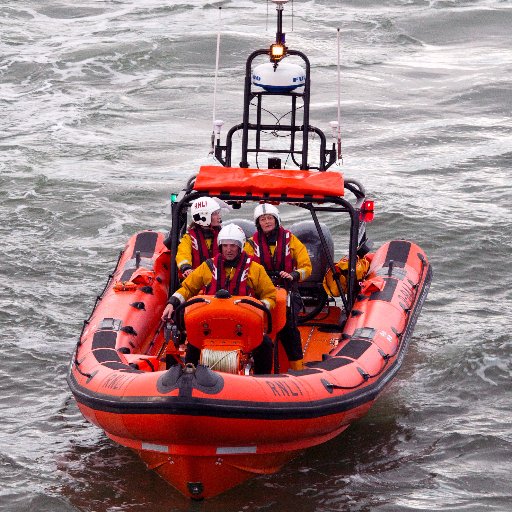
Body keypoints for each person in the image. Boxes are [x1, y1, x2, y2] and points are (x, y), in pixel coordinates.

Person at [162, 223, 276, 374]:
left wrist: (259, 307)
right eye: (225, 246)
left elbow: (270, 296)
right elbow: (187, 288)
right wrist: (172, 303)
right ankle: (189, 377)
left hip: (242, 326)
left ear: (240, 246)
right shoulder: (207, 267)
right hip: (209, 326)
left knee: (265, 344)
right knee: (193, 344)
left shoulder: (255, 270)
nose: (229, 250)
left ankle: (263, 380)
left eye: (233, 246)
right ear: (220, 246)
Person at [245, 203, 312, 371]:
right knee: (253, 325)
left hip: (288, 291)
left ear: (276, 219)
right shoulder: (251, 244)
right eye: (263, 219)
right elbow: (244, 268)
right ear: (258, 223)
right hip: (261, 293)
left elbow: (306, 267)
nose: (267, 222)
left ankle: (297, 368)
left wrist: (294, 275)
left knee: (289, 329)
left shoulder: (291, 240)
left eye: (270, 218)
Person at [175, 196, 228, 278]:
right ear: (204, 217)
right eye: (215, 213)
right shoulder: (189, 238)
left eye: (218, 213)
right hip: (198, 280)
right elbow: (183, 254)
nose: (219, 216)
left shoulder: (224, 234)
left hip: (220, 279)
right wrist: (186, 268)